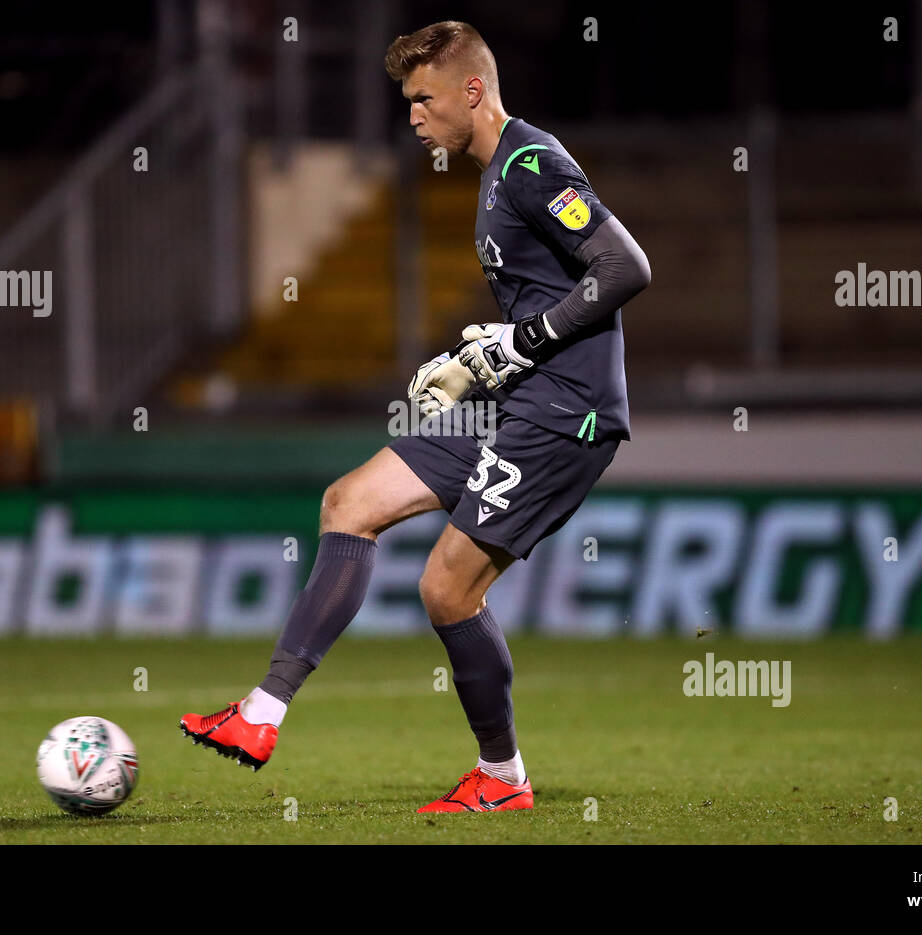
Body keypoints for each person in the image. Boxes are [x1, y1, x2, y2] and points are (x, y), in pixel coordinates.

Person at [180, 20, 651, 812]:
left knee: (447, 591)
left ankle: (502, 777)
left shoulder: (532, 162)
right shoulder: (494, 172)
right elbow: (545, 295)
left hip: (565, 413)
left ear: (473, 91)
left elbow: (625, 265)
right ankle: (260, 714)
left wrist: (522, 342)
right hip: (518, 400)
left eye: (423, 98)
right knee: (349, 502)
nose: (413, 116)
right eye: (407, 101)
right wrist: (482, 359)